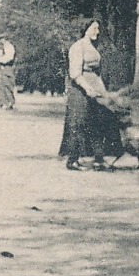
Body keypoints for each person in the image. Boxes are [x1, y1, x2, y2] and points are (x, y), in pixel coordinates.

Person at [58, 20, 116, 170]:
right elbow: (75, 73)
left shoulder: (93, 47)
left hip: (94, 88)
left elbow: (97, 73)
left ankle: (99, 159)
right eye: (94, 28)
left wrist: (102, 91)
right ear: (86, 29)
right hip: (79, 90)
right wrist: (87, 88)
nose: (97, 31)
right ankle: (72, 160)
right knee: (79, 124)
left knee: (98, 122)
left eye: (98, 28)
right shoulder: (78, 47)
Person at [0, 38, 17, 110]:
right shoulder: (3, 48)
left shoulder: (9, 47)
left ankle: (10, 103)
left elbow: (8, 58)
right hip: (3, 68)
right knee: (2, 86)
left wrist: (0, 59)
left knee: (8, 85)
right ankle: (2, 102)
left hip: (8, 67)